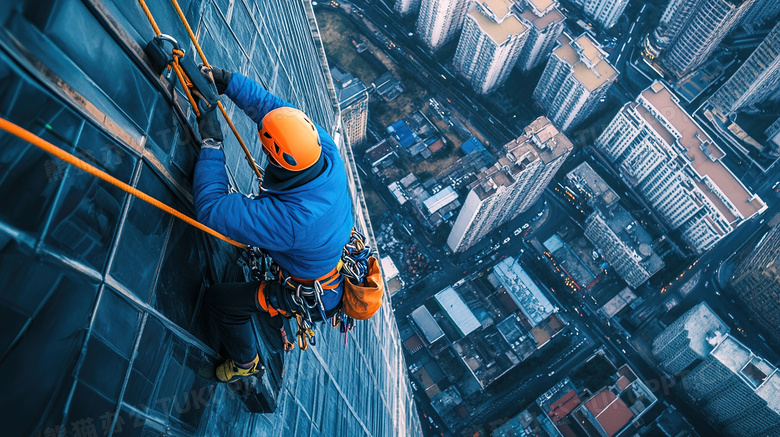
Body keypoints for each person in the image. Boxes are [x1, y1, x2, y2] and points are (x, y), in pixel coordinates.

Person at [193, 67, 354, 382]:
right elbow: (274, 112)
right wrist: (228, 82)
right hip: (319, 257)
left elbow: (211, 208)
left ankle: (246, 362)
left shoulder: (292, 221)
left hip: (309, 288)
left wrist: (212, 142)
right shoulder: (321, 149)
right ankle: (273, 321)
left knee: (220, 302)